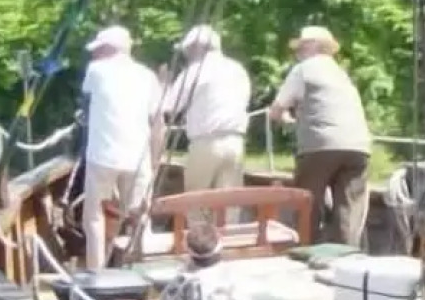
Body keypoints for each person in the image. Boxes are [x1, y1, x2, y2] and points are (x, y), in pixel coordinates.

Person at [267, 25, 372, 247]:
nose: (297, 52)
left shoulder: (303, 69)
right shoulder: (342, 74)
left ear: (312, 46)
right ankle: (346, 254)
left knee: (307, 203)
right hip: (359, 146)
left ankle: (306, 249)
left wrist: (285, 119)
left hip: (320, 145)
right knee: (349, 208)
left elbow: (277, 109)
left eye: (301, 47)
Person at [79, 24, 161, 270]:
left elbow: (86, 100)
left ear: (108, 48)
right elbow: (158, 122)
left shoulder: (95, 70)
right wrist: (155, 159)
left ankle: (95, 271)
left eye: (99, 49)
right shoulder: (148, 76)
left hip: (102, 156)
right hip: (138, 157)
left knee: (94, 216)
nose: (95, 54)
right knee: (139, 215)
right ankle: (140, 268)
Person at [157, 24, 252, 192]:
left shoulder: (195, 71)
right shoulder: (238, 70)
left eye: (187, 50)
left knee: (196, 200)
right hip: (236, 142)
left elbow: (170, 107)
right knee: (228, 201)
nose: (186, 55)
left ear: (196, 47)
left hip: (206, 141)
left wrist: (164, 83)